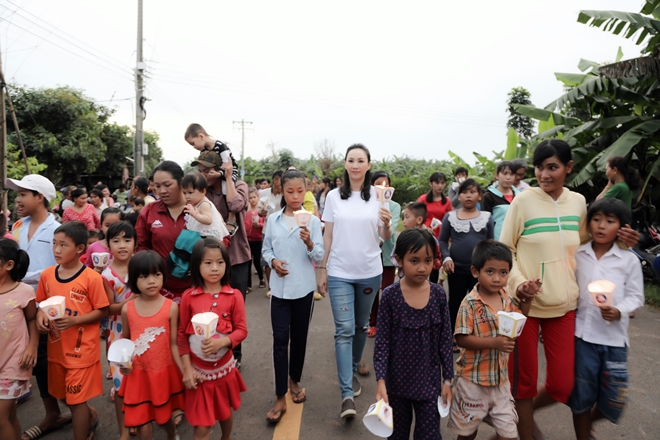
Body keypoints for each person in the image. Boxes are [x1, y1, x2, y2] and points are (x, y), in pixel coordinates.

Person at [498, 139, 639, 440]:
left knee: (562, 385)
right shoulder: (522, 202)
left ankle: (515, 420)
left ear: (569, 168)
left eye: (553, 167)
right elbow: (505, 249)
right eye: (539, 167)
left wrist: (624, 239)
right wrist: (518, 282)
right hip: (525, 307)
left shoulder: (577, 202)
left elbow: (591, 243)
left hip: (564, 307)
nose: (545, 174)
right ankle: (523, 431)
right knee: (523, 382)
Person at [317, 144, 393, 418]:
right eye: (351, 160)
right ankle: (346, 394)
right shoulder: (335, 197)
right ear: (346, 165)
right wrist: (322, 268)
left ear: (369, 165)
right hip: (339, 272)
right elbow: (328, 235)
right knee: (344, 329)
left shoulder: (379, 197)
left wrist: (386, 223)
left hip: (370, 271)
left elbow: (384, 235)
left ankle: (349, 371)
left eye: (361, 160)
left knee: (361, 326)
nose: (356, 165)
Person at [568, 198, 644, 440]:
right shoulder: (578, 254)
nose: (601, 226)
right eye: (597, 219)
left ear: (622, 228)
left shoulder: (628, 259)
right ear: (588, 223)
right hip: (583, 337)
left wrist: (619, 310)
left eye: (610, 221)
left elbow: (636, 296)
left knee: (615, 398)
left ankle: (587, 421)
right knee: (581, 395)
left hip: (614, 340)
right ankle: (583, 433)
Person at [448, 240, 537, 440]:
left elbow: (519, 318)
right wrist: (494, 343)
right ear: (475, 271)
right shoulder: (469, 303)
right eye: (490, 272)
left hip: (500, 382)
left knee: (509, 433)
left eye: (503, 273)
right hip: (472, 383)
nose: (497, 278)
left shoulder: (507, 298)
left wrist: (527, 300)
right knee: (467, 433)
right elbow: (462, 338)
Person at [7, 175, 73, 440]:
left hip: (47, 307)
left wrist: (25, 278)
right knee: (32, 361)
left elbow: (60, 268)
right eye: (18, 194)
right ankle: (51, 413)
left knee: (51, 361)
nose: (18, 199)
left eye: (23, 194)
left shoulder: (57, 230)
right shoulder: (18, 226)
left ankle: (77, 410)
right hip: (18, 306)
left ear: (40, 198)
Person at [373, 228, 454, 440]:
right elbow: (382, 343)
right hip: (395, 386)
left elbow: (445, 340)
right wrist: (381, 381)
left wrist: (448, 380)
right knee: (396, 434)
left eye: (428, 261)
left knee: (428, 435)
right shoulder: (390, 295)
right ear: (399, 260)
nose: (422, 268)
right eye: (414, 260)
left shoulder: (438, 295)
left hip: (429, 385)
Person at [35, 221, 110, 440]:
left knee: (76, 402)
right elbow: (41, 303)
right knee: (62, 395)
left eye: (63, 245)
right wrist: (41, 316)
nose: (57, 250)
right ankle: (90, 415)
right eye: (54, 244)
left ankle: (83, 427)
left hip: (81, 352)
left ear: (80, 249)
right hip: (56, 351)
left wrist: (75, 322)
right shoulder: (47, 275)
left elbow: (103, 310)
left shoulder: (91, 278)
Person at [262, 169, 324, 423]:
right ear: (282, 191)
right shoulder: (273, 219)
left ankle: (294, 381)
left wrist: (310, 243)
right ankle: (279, 395)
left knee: (299, 339)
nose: (296, 196)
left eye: (300, 191)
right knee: (280, 341)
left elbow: (319, 256)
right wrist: (273, 260)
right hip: (279, 290)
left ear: (306, 190)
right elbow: (266, 249)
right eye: (290, 191)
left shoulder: (311, 221)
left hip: (304, 290)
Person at [178, 238, 247, 440]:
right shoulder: (188, 297)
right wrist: (187, 369)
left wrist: (222, 342)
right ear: (196, 265)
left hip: (224, 370)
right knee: (201, 428)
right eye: (207, 263)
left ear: (227, 264)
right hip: (199, 373)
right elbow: (182, 335)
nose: (215, 268)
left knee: (225, 412)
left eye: (220, 262)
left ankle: (226, 437)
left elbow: (242, 330)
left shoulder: (234, 296)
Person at [118, 250, 184, 440]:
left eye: (157, 274)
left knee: (164, 419)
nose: (152, 281)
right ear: (134, 280)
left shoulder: (171, 307)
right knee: (142, 423)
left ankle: (172, 436)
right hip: (138, 375)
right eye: (144, 276)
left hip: (163, 373)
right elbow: (126, 343)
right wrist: (124, 364)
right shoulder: (127, 309)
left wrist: (184, 372)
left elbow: (173, 344)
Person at [194, 150, 252, 367]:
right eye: (201, 170)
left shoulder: (239, 186)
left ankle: (235, 355)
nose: (203, 173)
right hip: (209, 258)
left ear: (220, 169)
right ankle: (213, 352)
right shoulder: (203, 193)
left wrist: (228, 177)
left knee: (234, 309)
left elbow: (235, 206)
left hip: (236, 257)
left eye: (207, 169)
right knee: (210, 307)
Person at [440, 179, 494, 341]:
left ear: (480, 196)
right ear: (459, 196)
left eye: (472, 192)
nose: (468, 196)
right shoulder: (450, 217)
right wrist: (446, 258)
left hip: (479, 271)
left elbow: (490, 243)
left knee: (478, 303)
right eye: (464, 192)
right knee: (455, 303)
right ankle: (452, 337)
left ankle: (475, 336)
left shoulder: (486, 217)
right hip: (456, 269)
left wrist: (489, 267)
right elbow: (442, 241)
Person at [101, 222, 137, 440]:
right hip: (118, 333)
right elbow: (108, 309)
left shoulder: (140, 266)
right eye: (116, 241)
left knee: (140, 377)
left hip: (143, 330)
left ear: (136, 243)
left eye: (127, 240)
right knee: (121, 381)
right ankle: (123, 429)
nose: (122, 245)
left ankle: (138, 420)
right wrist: (132, 301)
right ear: (108, 245)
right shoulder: (106, 275)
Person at [135, 161, 190, 304]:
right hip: (161, 291)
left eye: (167, 185)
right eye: (157, 186)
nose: (162, 191)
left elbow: (220, 243)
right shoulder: (149, 212)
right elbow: (141, 247)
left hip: (197, 288)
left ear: (181, 182)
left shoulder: (201, 209)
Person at [0, 240, 38, 440]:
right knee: (9, 415)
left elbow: (32, 319)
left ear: (9, 265)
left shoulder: (23, 291)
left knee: (0, 419)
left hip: (15, 363)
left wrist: (32, 346)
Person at [367, 171, 400, 339]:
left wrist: (379, 240)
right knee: (372, 291)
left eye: (386, 184)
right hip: (369, 254)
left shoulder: (394, 206)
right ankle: (373, 323)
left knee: (387, 291)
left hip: (386, 254)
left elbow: (391, 229)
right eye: (378, 183)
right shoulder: (367, 204)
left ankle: (385, 324)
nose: (383, 187)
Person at [417, 171, 452, 283]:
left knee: (435, 264)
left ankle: (432, 288)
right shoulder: (423, 199)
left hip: (440, 236)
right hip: (424, 234)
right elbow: (416, 215)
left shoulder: (447, 201)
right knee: (421, 259)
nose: (440, 185)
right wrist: (424, 227)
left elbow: (449, 219)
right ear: (431, 184)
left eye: (442, 183)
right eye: (437, 183)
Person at [185, 123, 239, 187]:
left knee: (225, 189)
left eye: (193, 143)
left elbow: (227, 165)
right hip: (217, 174)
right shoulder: (203, 151)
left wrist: (219, 174)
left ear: (201, 136)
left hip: (230, 173)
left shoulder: (221, 146)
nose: (194, 147)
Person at [181, 172, 230, 241]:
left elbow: (208, 220)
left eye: (190, 192)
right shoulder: (196, 202)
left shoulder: (204, 204)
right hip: (202, 236)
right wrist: (221, 221)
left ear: (203, 191)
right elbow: (217, 213)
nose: (187, 196)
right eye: (184, 193)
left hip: (210, 237)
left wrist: (195, 214)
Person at [258, 170, 283, 297]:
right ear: (274, 180)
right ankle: (271, 287)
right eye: (280, 180)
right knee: (267, 258)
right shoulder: (264, 193)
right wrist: (260, 213)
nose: (282, 183)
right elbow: (258, 210)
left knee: (280, 257)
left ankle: (281, 285)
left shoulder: (285, 194)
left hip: (282, 230)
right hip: (267, 229)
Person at [481, 161, 520, 240]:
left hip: (517, 240)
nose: (508, 177)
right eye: (505, 173)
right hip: (497, 241)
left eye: (511, 174)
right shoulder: (489, 196)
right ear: (497, 175)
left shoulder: (520, 196)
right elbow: (484, 223)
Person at [245, 188, 266, 290]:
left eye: (254, 197)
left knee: (257, 261)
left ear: (257, 198)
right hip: (248, 240)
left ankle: (261, 278)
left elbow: (265, 224)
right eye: (250, 198)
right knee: (248, 262)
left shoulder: (260, 211)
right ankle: (248, 285)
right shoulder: (246, 212)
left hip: (258, 240)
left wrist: (259, 225)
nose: (252, 200)